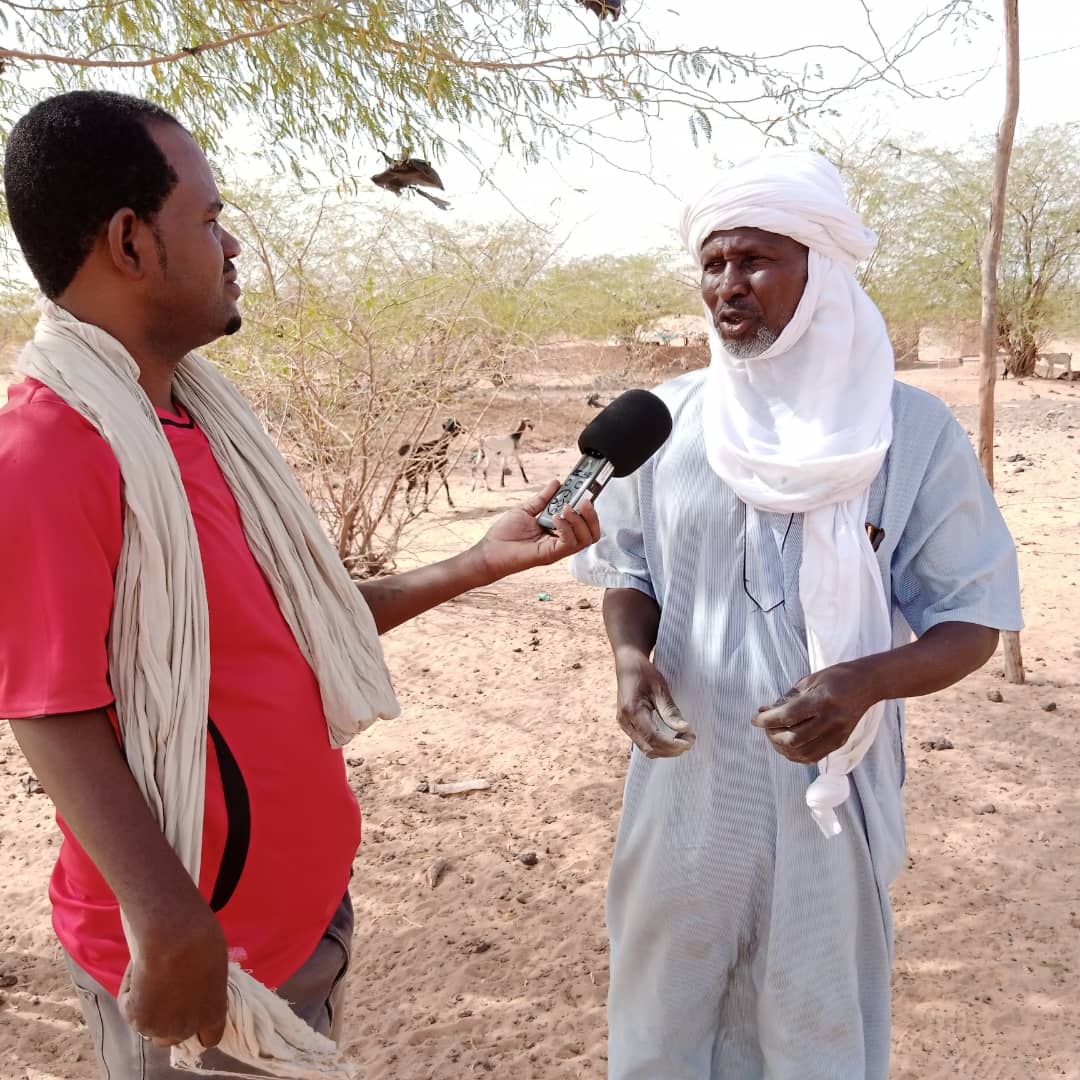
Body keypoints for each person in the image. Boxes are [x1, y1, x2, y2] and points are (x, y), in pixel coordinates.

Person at [0, 90, 600, 1079]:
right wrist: (171, 923)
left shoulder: (196, 424)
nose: (231, 245)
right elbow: (47, 709)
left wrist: (477, 563)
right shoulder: (49, 449)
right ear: (129, 241)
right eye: (209, 217)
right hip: (197, 969)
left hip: (295, 925)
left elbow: (295, 625)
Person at [568, 147, 1022, 1079]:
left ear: (822, 272)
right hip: (687, 779)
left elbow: (971, 620)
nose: (727, 286)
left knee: (816, 1013)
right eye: (713, 264)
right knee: (664, 1004)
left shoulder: (908, 432)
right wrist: (629, 660)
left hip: (831, 785)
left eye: (756, 261)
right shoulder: (668, 419)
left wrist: (865, 683)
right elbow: (631, 570)